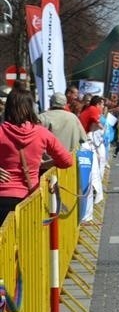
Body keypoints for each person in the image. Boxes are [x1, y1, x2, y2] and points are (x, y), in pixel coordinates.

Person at [0, 84, 74, 224]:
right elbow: (67, 161)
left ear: (8, 107)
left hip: (2, 195)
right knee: (28, 243)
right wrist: (45, 164)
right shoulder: (41, 133)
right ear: (31, 107)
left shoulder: (1, 132)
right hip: (30, 196)